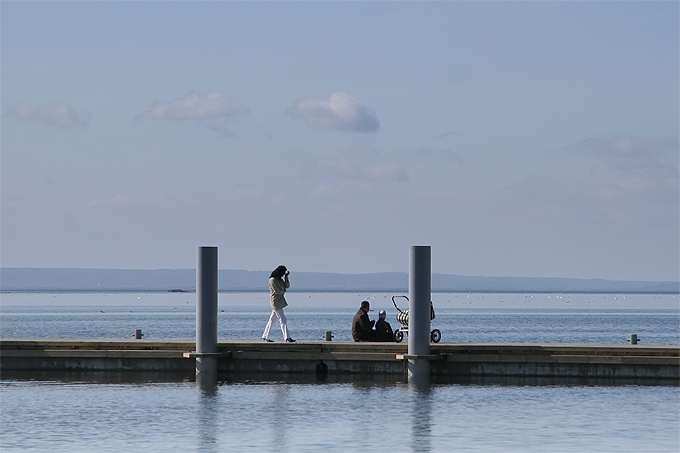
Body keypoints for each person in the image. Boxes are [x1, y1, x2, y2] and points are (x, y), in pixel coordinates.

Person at [262, 265, 296, 343]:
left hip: (280, 301)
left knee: (272, 320)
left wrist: (286, 278)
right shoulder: (272, 280)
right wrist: (283, 291)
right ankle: (287, 337)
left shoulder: (280, 280)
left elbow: (287, 286)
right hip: (275, 302)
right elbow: (277, 291)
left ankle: (265, 336)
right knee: (283, 320)